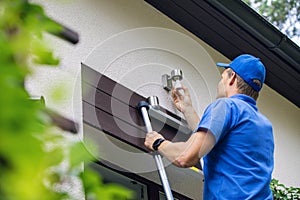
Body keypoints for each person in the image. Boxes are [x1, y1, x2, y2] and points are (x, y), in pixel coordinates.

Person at [144, 54, 274, 199]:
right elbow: (210, 141)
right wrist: (187, 108)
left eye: (222, 77)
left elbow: (185, 157)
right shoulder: (264, 125)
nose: (220, 82)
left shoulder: (225, 106)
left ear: (232, 78)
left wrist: (158, 143)